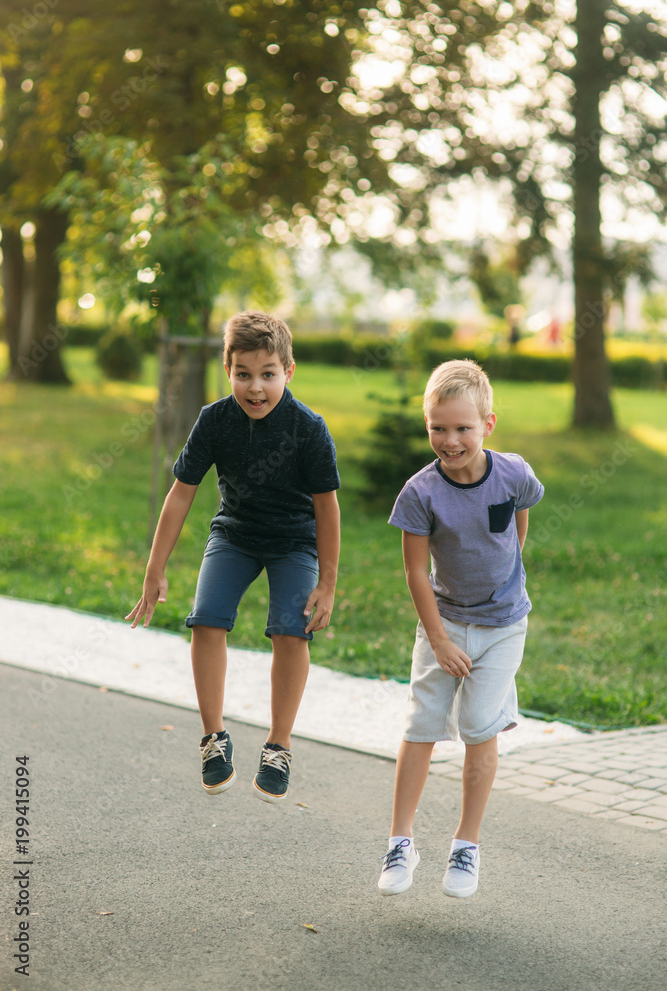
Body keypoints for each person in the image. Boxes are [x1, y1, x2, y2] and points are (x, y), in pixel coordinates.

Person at [126, 311, 341, 804]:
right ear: (228, 371)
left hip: (295, 542)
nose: (256, 387)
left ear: (289, 371)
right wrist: (154, 568)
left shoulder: (309, 428)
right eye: (243, 374)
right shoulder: (214, 420)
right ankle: (213, 739)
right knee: (206, 620)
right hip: (235, 535)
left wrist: (327, 583)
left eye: (268, 374)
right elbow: (181, 494)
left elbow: (327, 508)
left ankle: (279, 746)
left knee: (292, 629)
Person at [377, 359, 543, 898]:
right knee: (421, 724)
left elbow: (519, 518)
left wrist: (510, 568)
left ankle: (465, 845)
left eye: (462, 428)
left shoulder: (514, 473)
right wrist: (441, 640)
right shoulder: (420, 493)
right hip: (443, 621)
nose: (450, 441)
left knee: (478, 727)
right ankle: (400, 841)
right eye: (438, 428)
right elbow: (415, 575)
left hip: (503, 626)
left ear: (487, 424)